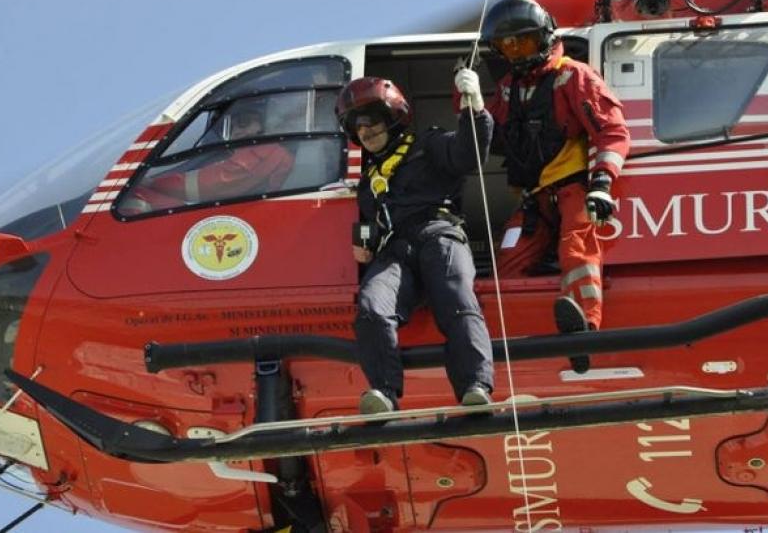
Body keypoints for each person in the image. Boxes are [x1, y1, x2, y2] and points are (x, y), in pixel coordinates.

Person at [455, 0, 630, 373]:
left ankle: (583, 331)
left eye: (524, 42)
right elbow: (487, 135)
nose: (517, 52)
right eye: (508, 46)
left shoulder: (574, 76)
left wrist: (601, 183)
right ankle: (512, 349)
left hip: (573, 188)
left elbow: (613, 132)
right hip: (534, 199)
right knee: (508, 260)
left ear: (546, 36)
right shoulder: (509, 88)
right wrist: (468, 99)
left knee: (577, 247)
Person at [336, 76, 495, 414]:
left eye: (371, 120)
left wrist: (475, 110)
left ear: (393, 116)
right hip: (396, 251)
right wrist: (361, 245)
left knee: (455, 297)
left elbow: (468, 154)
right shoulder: (368, 182)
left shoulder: (429, 144)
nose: (365, 131)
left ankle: (476, 385)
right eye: (356, 126)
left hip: (439, 235)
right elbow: (367, 222)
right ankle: (384, 392)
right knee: (371, 305)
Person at [121, 102, 295, 213]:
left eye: (243, 122)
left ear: (263, 125)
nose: (236, 131)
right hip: (237, 214)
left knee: (136, 194)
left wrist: (151, 183)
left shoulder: (267, 151)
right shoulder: (259, 153)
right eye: (231, 127)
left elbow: (214, 182)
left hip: (242, 217)